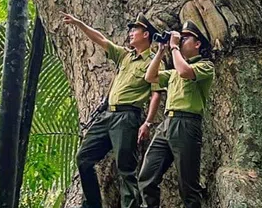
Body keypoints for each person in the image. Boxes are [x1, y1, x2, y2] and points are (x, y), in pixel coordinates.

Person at [61, 12, 164, 208]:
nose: (131, 33)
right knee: (83, 158)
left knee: (126, 168)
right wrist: (79, 22)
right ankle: (92, 205)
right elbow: (101, 39)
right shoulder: (125, 55)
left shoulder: (153, 61)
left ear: (146, 34)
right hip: (107, 114)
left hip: (127, 117)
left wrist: (148, 123)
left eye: (136, 30)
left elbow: (156, 94)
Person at [138, 20, 214, 208]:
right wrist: (162, 50)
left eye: (185, 38)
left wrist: (173, 47)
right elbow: (150, 77)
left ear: (197, 44)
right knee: (146, 177)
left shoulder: (205, 66)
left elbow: (185, 72)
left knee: (188, 186)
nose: (181, 41)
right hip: (167, 124)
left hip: (187, 124)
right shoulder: (172, 73)